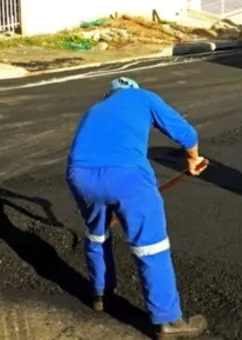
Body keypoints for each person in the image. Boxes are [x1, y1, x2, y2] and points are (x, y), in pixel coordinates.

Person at [66, 76, 210, 339]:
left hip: (80, 175)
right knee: (151, 245)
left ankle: (100, 295)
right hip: (128, 178)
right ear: (133, 89)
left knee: (97, 234)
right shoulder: (143, 97)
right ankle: (168, 322)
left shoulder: (95, 109)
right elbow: (185, 132)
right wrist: (193, 158)